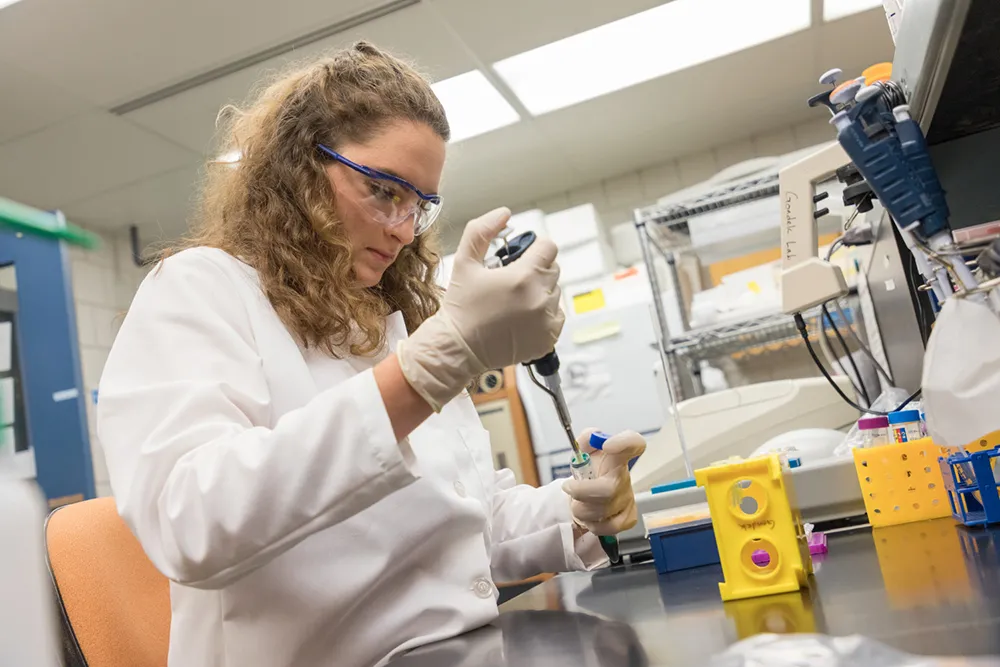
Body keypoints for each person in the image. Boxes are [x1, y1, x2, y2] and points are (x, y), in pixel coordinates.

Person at [98, 41, 645, 667]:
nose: (403, 229)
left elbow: (469, 525)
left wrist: (576, 510)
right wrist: (421, 375)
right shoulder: (202, 289)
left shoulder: (393, 325)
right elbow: (189, 521)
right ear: (299, 169)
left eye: (419, 205)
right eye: (383, 190)